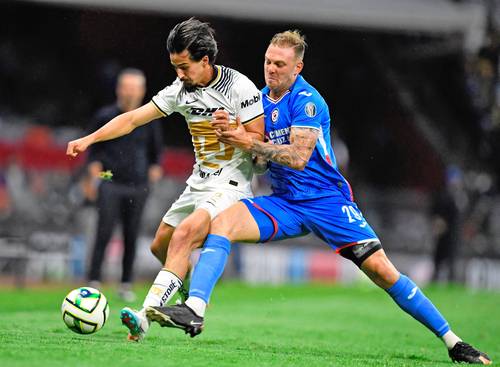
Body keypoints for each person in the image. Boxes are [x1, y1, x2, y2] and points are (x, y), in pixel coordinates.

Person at [146, 30, 492, 365]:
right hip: (284, 203)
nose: (271, 69)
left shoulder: (308, 101)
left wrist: (247, 141)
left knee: (383, 272)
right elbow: (261, 162)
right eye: (268, 61)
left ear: (297, 68)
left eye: (280, 64)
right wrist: (233, 137)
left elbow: (297, 158)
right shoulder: (258, 102)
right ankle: (195, 310)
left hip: (327, 202)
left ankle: (454, 342)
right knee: (221, 222)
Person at [66, 18, 264, 341]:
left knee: (184, 234)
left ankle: (143, 317)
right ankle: (189, 299)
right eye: (175, 67)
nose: (179, 75)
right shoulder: (179, 91)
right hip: (198, 182)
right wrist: (89, 140)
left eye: (184, 67)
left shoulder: (240, 88)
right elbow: (131, 119)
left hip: (231, 184)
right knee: (161, 245)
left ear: (205, 60)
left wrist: (234, 132)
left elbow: (259, 146)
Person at [84, 68, 163, 302]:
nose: (129, 92)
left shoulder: (149, 120)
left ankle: (126, 283)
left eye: (134, 87)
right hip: (110, 179)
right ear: (119, 89)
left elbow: (156, 153)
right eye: (125, 86)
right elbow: (93, 150)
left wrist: (154, 169)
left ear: (142, 91)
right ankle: (93, 281)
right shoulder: (104, 115)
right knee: (104, 231)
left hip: (138, 184)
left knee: (132, 234)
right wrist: (94, 173)